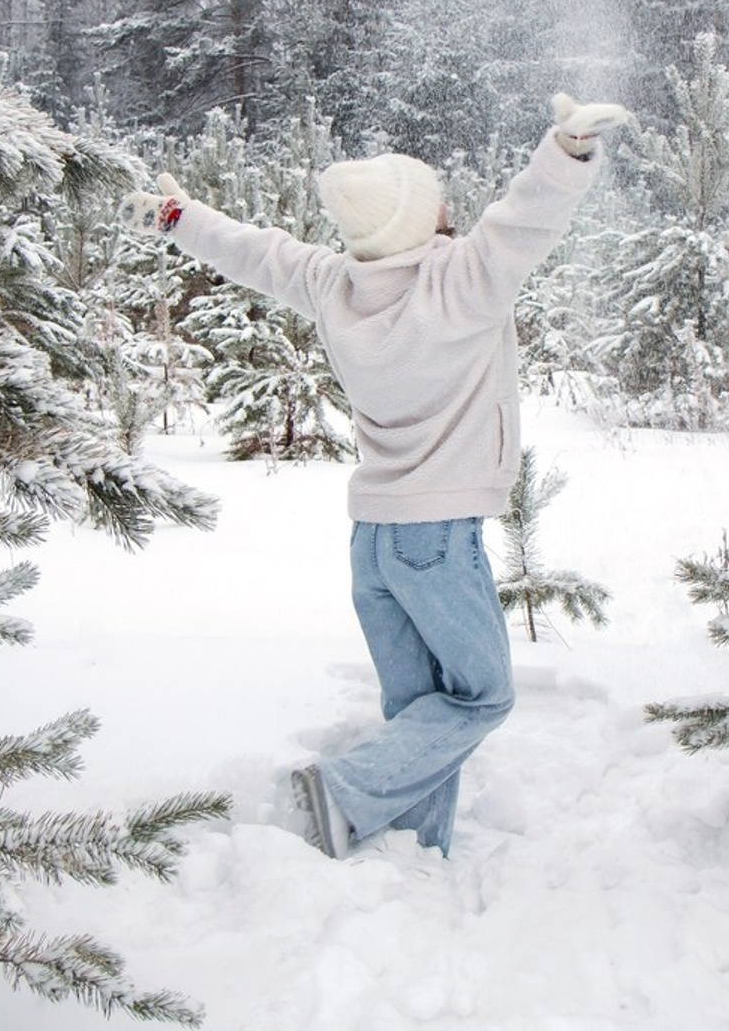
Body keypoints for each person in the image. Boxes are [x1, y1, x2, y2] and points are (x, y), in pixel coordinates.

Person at [117, 92, 634, 858]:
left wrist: (177, 218)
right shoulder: (463, 281)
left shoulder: (334, 286)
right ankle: (342, 791)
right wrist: (567, 148)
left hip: (375, 544)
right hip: (436, 541)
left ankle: (408, 850)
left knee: (420, 708)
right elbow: (526, 219)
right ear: (419, 219)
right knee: (483, 696)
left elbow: (255, 252)